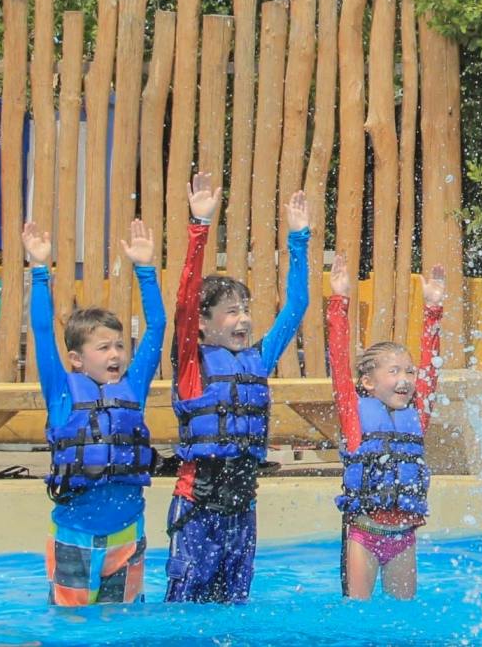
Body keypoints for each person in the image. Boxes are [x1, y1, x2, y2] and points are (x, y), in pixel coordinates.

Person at [164, 171, 311, 604]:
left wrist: (299, 239)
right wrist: (199, 228)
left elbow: (298, 305)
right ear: (205, 323)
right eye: (230, 312)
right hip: (198, 507)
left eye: (245, 310)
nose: (243, 320)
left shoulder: (257, 361)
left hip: (242, 507)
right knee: (187, 604)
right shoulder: (193, 365)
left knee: (235, 606)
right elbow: (185, 301)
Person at [23, 216, 165, 607]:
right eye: (103, 348)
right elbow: (40, 332)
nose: (115, 354)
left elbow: (157, 328)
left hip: (126, 537)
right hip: (74, 537)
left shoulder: (132, 389)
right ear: (76, 360)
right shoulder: (62, 393)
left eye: (119, 345)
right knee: (72, 632)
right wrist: (39, 269)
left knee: (121, 633)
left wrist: (146, 269)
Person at [326, 260, 447, 599]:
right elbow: (338, 363)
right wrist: (340, 301)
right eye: (394, 372)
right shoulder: (354, 417)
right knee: (358, 618)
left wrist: (433, 310)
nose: (406, 380)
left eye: (409, 372)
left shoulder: (417, 415)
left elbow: (431, 371)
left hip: (404, 536)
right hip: (363, 534)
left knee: (402, 619)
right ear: (367, 382)